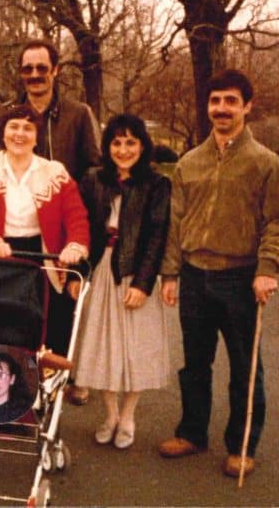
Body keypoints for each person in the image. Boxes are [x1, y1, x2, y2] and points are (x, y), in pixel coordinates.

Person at [157, 69, 279, 479]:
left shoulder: (265, 163)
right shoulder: (189, 163)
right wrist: (170, 274)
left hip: (241, 280)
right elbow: (175, 223)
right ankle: (192, 432)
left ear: (246, 106)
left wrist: (268, 268)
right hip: (196, 278)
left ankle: (242, 445)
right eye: (216, 100)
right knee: (194, 364)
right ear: (208, 105)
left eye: (231, 101)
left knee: (245, 367)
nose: (222, 108)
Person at [73, 114, 171, 450]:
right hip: (102, 269)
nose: (123, 149)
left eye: (131, 142)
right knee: (103, 344)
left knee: (134, 347)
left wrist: (143, 283)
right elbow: (81, 229)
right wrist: (79, 274)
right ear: (107, 146)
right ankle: (110, 413)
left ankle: (129, 415)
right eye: (117, 142)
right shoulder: (94, 180)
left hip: (134, 272)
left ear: (143, 146)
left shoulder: (157, 185)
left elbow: (158, 235)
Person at [0, 104, 89, 357]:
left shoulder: (55, 172)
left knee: (47, 325)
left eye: (28, 128)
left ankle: (43, 383)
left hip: (42, 255)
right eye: (14, 127)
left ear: (37, 136)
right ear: (2, 132)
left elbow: (76, 215)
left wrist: (75, 244)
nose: (20, 134)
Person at [0, 38, 101, 183]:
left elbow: (94, 169)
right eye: (27, 69)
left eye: (41, 68)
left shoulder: (79, 114)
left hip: (64, 202)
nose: (34, 75)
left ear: (55, 70)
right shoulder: (4, 114)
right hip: (15, 203)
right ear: (21, 73)